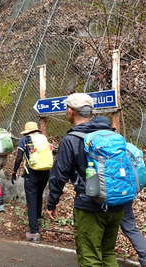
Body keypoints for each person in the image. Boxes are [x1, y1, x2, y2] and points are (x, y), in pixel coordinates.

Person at [46, 93, 124, 267]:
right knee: (108, 253)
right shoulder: (110, 134)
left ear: (70, 111)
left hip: (90, 204)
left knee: (89, 256)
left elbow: (59, 175)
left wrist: (52, 203)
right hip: (118, 201)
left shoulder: (71, 139)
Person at [93, 116, 146, 267]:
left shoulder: (98, 147)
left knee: (101, 224)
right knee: (129, 226)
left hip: (106, 195)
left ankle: (101, 257)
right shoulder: (125, 145)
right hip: (128, 192)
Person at [11, 121, 50, 241]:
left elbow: (18, 157)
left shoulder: (25, 140)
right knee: (38, 196)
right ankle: (37, 220)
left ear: (27, 131)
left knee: (31, 201)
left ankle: (34, 232)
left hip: (32, 173)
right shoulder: (43, 138)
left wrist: (14, 171)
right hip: (45, 172)